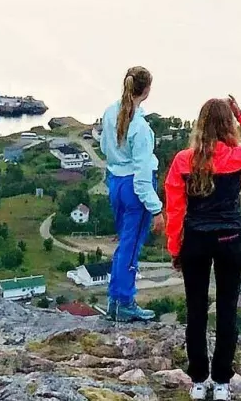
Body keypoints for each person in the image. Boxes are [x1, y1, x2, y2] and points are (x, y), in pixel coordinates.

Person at [164, 95, 241, 401]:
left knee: (196, 310)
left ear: (199, 125)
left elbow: (174, 211)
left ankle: (198, 382)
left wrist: (175, 248)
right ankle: (222, 382)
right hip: (229, 240)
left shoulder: (183, 161)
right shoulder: (239, 156)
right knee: (227, 311)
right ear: (228, 124)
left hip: (196, 241)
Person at [101, 65, 164, 322]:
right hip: (134, 190)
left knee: (123, 245)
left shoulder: (110, 112)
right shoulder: (140, 129)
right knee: (131, 246)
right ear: (146, 90)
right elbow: (141, 178)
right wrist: (157, 209)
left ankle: (115, 302)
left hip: (115, 182)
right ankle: (124, 301)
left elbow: (105, 147)